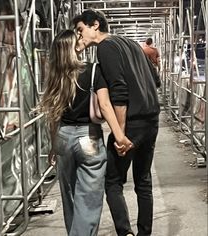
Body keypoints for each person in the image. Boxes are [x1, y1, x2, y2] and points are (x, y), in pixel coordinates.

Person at [73, 9, 160, 236]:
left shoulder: (106, 47)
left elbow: (119, 92)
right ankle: (144, 232)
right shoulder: (130, 43)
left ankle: (125, 233)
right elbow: (155, 80)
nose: (79, 35)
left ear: (95, 25)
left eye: (81, 30)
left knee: (112, 181)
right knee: (143, 180)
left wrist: (119, 133)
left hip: (131, 122)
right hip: (151, 119)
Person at [38, 29, 132, 236]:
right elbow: (106, 106)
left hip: (63, 136)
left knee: (70, 196)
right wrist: (120, 137)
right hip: (88, 137)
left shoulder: (54, 75)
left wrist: (53, 145)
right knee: (88, 199)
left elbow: (53, 116)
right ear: (73, 47)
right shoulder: (93, 71)